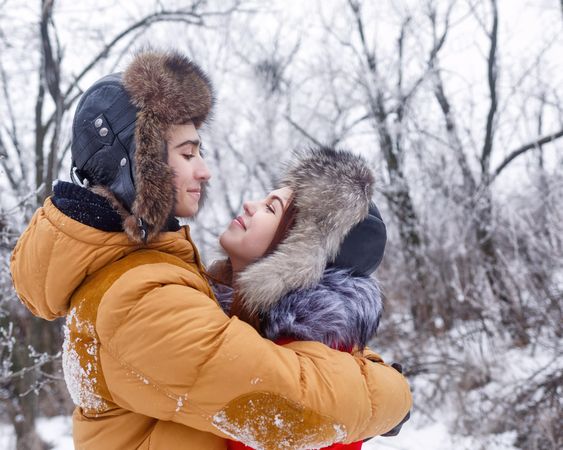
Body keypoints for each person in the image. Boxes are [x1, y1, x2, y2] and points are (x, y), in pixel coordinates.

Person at [10, 49, 412, 449]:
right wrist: (389, 391)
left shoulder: (165, 281)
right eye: (187, 153)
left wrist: (359, 360)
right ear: (139, 165)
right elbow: (288, 405)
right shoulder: (139, 299)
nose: (204, 170)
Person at [210, 146, 406, 449]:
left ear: (298, 252)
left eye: (270, 209)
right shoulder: (215, 310)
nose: (249, 205)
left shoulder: (312, 368)